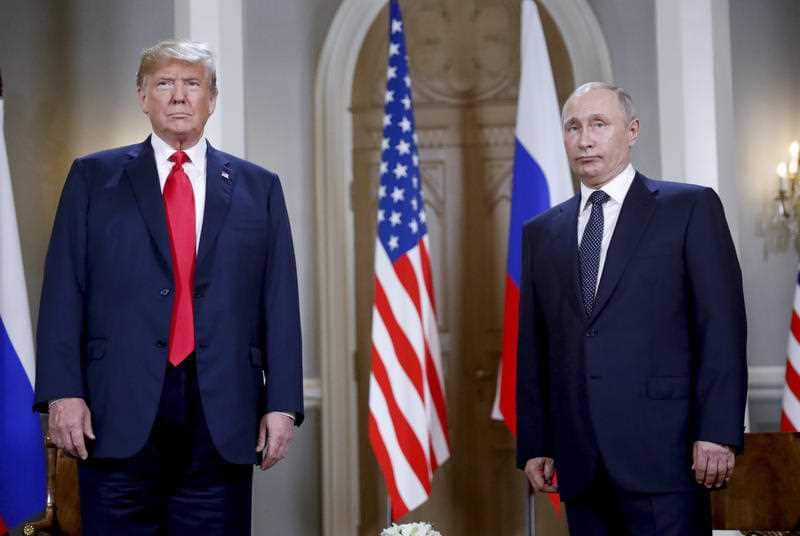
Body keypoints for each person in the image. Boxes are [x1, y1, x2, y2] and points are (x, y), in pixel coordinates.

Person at [33, 40, 303, 534]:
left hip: (220, 413)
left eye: (192, 84)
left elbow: (279, 301)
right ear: (143, 97)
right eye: (164, 84)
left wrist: (282, 404)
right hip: (115, 410)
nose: (179, 97)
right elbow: (63, 291)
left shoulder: (258, 187)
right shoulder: (92, 178)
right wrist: (62, 393)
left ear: (211, 99)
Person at [516, 82, 747, 534]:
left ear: (632, 130)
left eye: (599, 124)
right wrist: (535, 442)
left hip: (668, 457)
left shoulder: (689, 207)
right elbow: (535, 347)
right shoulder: (542, 231)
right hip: (580, 463)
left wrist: (718, 431)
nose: (585, 139)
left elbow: (721, 328)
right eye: (574, 127)